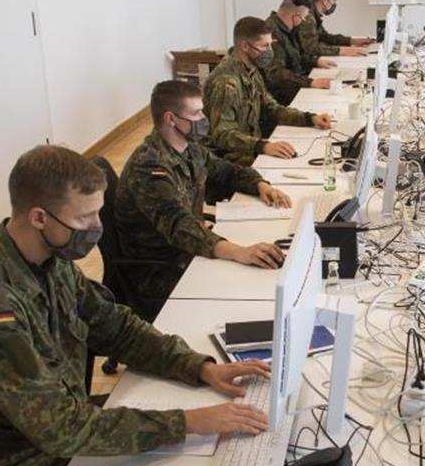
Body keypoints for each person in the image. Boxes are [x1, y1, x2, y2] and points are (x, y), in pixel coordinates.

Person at [0, 144, 271, 466]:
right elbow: (61, 429)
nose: (95, 226)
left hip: (58, 435)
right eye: (84, 216)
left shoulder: (45, 261)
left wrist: (199, 367)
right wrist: (190, 422)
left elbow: (114, 327)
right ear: (39, 217)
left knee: (201, 463)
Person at [115, 80, 295, 315]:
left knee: (262, 275)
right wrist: (239, 252)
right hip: (161, 269)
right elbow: (180, 226)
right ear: (171, 119)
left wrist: (261, 186)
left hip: (190, 250)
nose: (203, 119)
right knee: (249, 292)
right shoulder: (149, 167)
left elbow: (227, 171)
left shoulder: (188, 146)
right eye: (196, 113)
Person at [203, 16, 333, 167]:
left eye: (271, 45)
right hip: (232, 161)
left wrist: (309, 119)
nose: (270, 52)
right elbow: (222, 135)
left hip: (251, 149)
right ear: (245, 46)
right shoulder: (226, 82)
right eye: (264, 46)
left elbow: (271, 108)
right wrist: (263, 146)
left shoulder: (251, 69)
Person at [264, 0, 338, 105]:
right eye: (303, 18)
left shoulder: (288, 29)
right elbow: (277, 74)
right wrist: (311, 82)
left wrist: (316, 61)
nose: (303, 22)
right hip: (282, 95)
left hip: (296, 84)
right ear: (295, 17)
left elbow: (297, 56)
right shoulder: (271, 34)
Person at [297, 0, 373, 58]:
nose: (334, 4)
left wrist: (353, 41)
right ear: (325, 0)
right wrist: (346, 50)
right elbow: (313, 49)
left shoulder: (314, 15)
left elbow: (325, 37)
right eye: (334, 1)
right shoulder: (308, 17)